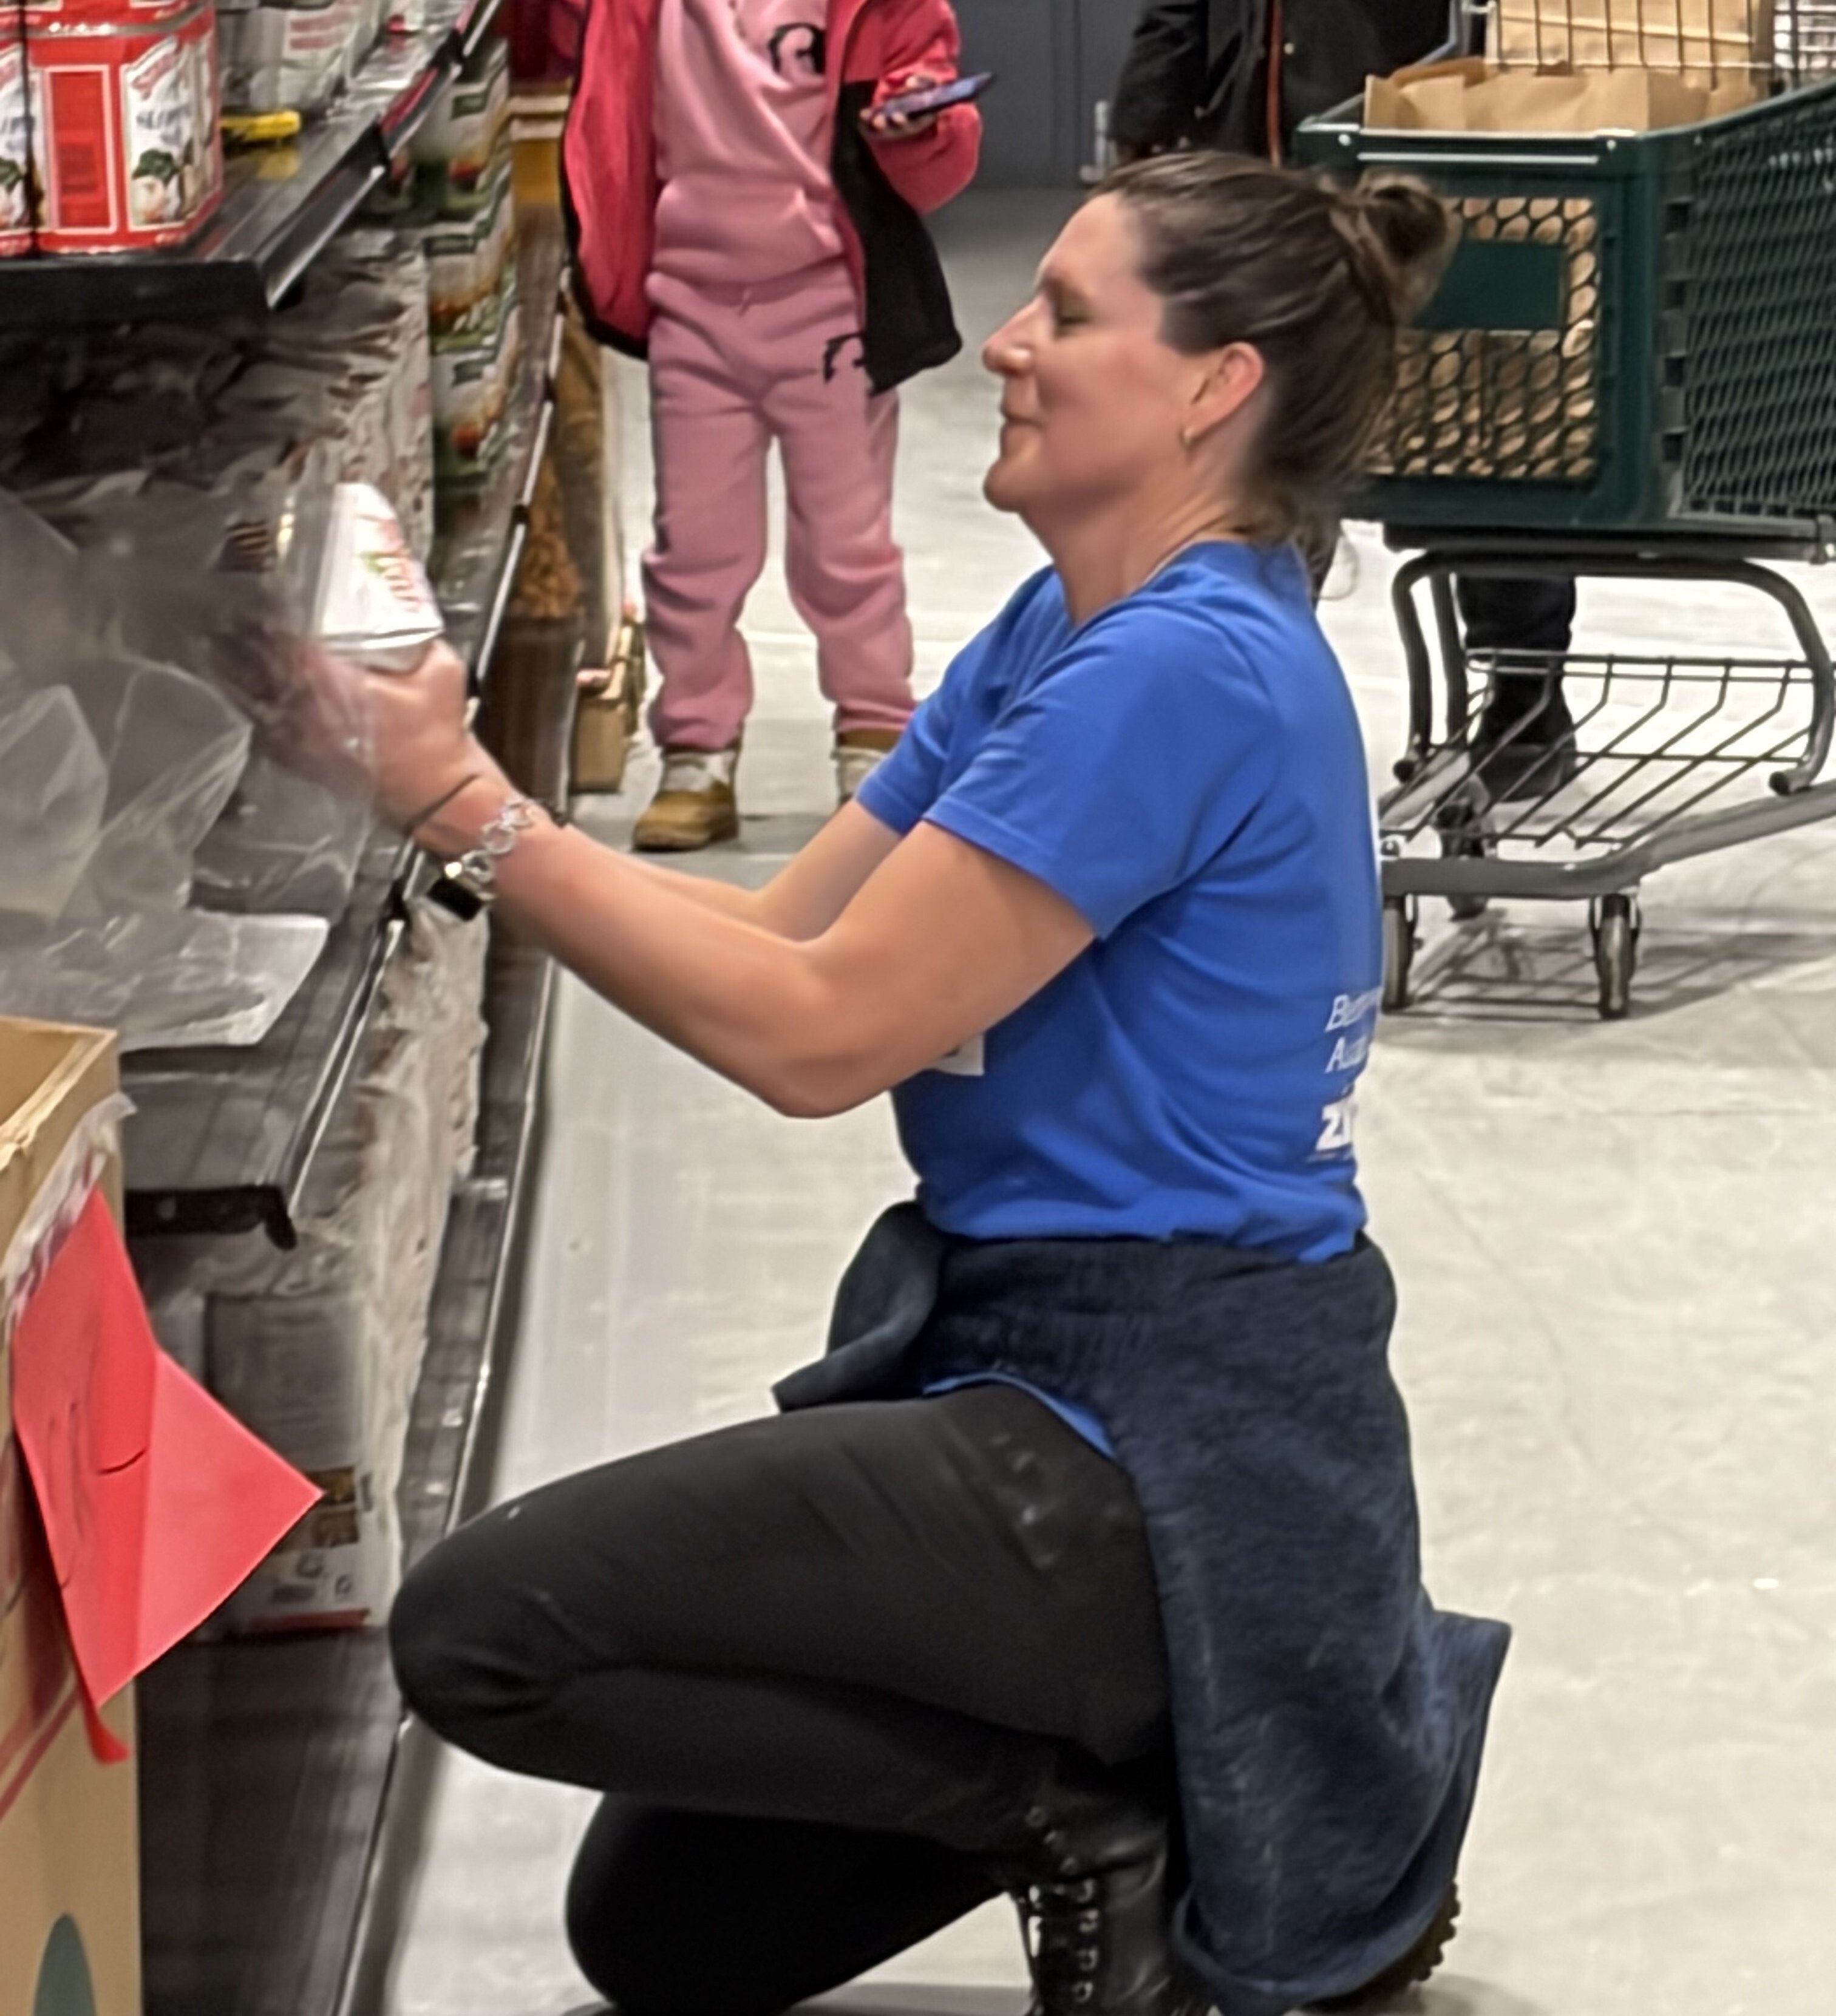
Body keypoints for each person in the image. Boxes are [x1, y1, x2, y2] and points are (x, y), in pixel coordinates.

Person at [372, 155, 1511, 2016]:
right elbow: (793, 957)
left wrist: (468, 815)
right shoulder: (1064, 630)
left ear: (1217, 384)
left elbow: (817, 1046)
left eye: (1070, 312)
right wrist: (481, 821)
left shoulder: (1185, 674)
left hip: (1171, 1428)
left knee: (485, 1629)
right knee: (661, 1937)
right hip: (1025, 1348)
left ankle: (1096, 1816)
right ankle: (1106, 1775)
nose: (1006, 342)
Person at [1112, 0, 1579, 798]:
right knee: (1271, 437)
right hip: (1266, 150)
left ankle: (1522, 685)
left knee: (1487, 417)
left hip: (1427, 140)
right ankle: (1246, 682)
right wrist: (1149, 106)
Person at [561, 0, 981, 852]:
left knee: (846, 540)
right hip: (689, 298)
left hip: (830, 300)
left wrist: (920, 119)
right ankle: (697, 747)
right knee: (694, 548)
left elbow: (937, 127)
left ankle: (874, 737)